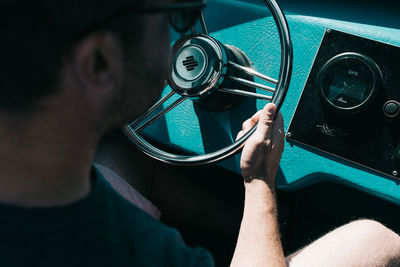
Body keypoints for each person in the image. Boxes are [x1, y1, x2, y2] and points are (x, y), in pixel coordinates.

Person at [0, 0, 399, 266]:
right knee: (377, 238)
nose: (187, 42)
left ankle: (260, 228)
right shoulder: (128, 248)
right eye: (173, 20)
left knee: (130, 154)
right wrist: (259, 184)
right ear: (100, 63)